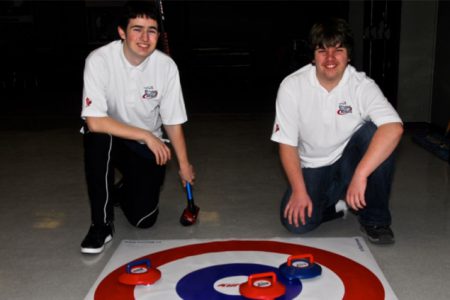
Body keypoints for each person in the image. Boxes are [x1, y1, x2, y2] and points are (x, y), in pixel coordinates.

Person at [270, 18, 403, 244]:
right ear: (313, 56)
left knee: (375, 132)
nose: (330, 58)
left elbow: (394, 128)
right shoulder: (292, 86)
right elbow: (287, 144)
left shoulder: (362, 86)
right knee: (296, 224)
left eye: (338, 50)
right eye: (322, 51)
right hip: (313, 165)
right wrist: (299, 190)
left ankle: (376, 220)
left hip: (351, 160)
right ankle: (336, 206)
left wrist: (361, 174)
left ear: (348, 55)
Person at [80, 0, 195, 254]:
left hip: (145, 146)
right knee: (98, 139)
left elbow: (172, 120)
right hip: (111, 137)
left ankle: (121, 191)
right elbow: (94, 120)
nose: (145, 37)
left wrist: (184, 165)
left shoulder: (166, 67)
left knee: (144, 220)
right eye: (137, 29)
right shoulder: (99, 60)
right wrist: (145, 134)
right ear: (122, 32)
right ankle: (101, 225)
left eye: (151, 30)